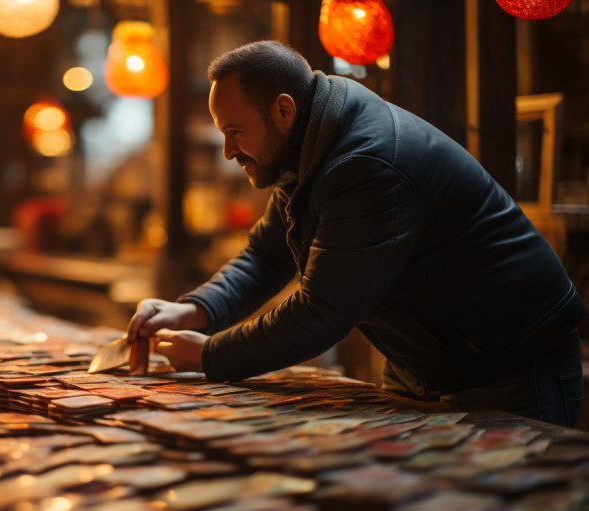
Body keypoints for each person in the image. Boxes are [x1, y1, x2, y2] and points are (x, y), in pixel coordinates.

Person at [126, 40, 588, 428]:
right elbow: (266, 257)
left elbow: (321, 314)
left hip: (511, 366)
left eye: (235, 131)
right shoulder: (309, 145)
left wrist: (212, 355)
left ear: (283, 110)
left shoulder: (365, 164)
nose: (229, 151)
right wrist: (192, 310)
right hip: (428, 361)